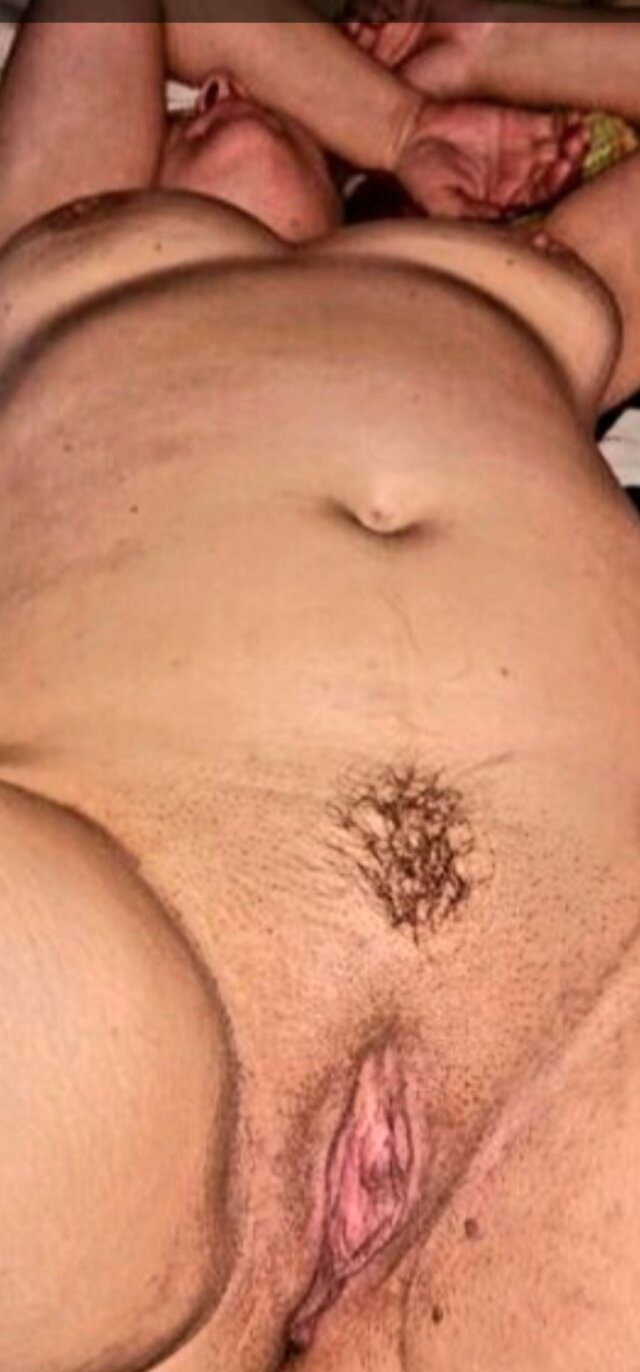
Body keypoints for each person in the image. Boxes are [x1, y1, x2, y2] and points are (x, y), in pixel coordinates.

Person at [0, 7, 639, 1372]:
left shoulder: (536, 284)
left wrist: (492, 52)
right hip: (107, 990)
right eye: (194, 103)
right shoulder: (36, 254)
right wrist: (392, 117)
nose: (226, 87)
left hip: (584, 1040)